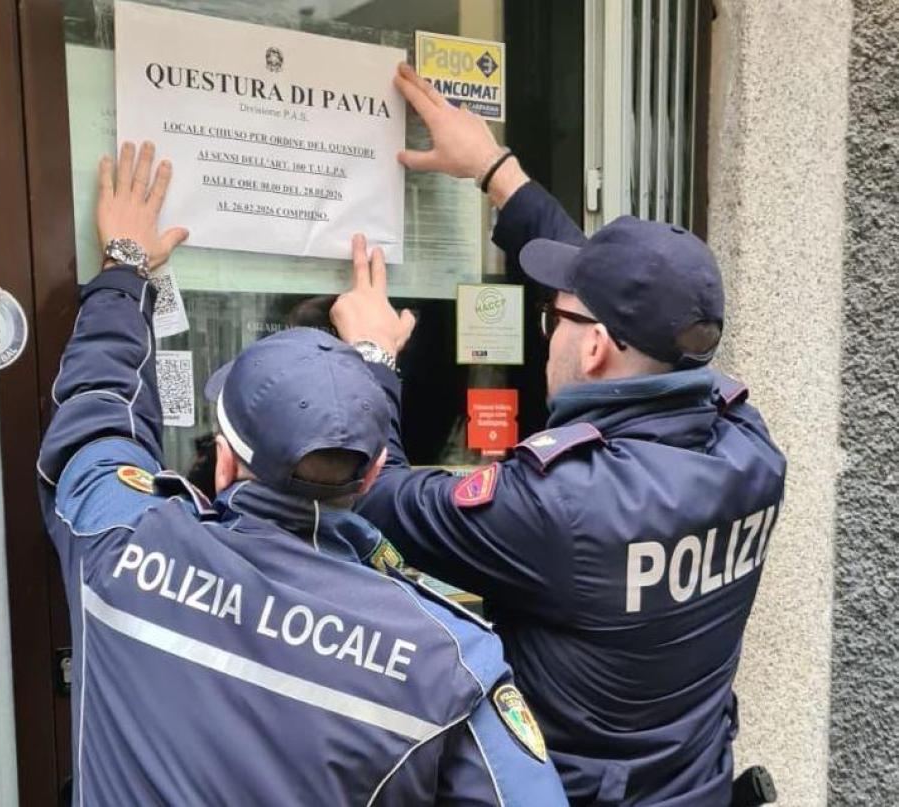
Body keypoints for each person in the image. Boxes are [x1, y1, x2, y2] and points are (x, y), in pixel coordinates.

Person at [37, 140, 569, 806]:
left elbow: (96, 416)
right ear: (374, 474)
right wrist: (370, 368)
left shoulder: (117, 544)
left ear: (224, 459)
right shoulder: (447, 657)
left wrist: (124, 268)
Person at [330, 63, 787, 806]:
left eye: (553, 317)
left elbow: (371, 491)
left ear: (597, 345)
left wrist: (373, 356)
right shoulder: (749, 445)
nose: (547, 332)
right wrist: (494, 170)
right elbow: (629, 300)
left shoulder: (559, 506)